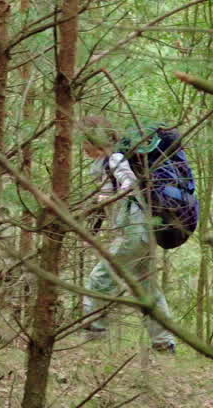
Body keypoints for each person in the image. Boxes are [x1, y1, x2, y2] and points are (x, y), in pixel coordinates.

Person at [79, 116, 177, 354]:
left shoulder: (114, 159)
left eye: (85, 144)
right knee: (147, 288)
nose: (83, 149)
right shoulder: (111, 162)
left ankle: (93, 336)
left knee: (100, 277)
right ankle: (164, 343)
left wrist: (107, 198)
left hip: (134, 230)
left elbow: (128, 184)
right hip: (145, 232)